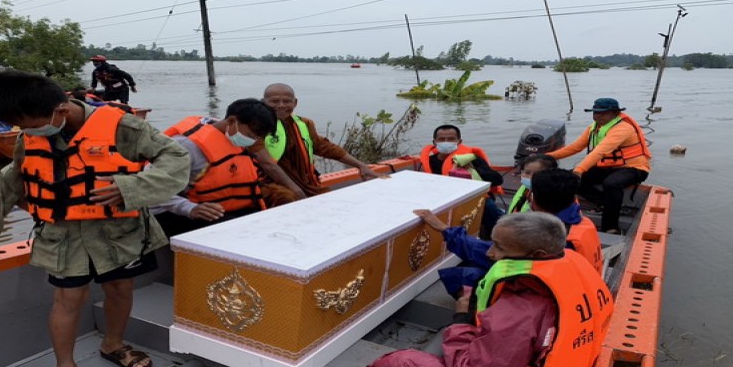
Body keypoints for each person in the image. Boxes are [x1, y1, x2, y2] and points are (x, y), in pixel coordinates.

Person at [0, 70, 189, 367]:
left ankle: (113, 344)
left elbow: (177, 158)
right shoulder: (27, 135)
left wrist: (129, 188)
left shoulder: (125, 127)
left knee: (121, 288)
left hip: (119, 232)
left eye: (30, 124)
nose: (26, 132)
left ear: (60, 110)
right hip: (63, 234)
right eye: (19, 127)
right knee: (68, 298)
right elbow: (12, 179)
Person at [368, 212, 614, 367]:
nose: (491, 254)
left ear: (536, 253)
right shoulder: (570, 266)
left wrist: (462, 319)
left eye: (500, 248)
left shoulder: (521, 310)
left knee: (400, 365)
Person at [415, 168, 603, 298]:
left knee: (463, 274)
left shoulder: (544, 234)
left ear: (533, 198)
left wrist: (443, 229)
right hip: (577, 283)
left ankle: (475, 310)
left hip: (544, 288)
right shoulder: (579, 221)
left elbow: (486, 252)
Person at [153, 99, 276, 236]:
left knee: (265, 223)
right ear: (231, 121)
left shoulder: (233, 135)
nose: (252, 141)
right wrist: (190, 208)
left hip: (219, 207)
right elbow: (152, 187)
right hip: (173, 211)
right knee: (238, 232)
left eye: (257, 137)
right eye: (250, 136)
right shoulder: (185, 145)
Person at [249, 83, 383, 207]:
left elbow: (325, 147)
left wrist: (361, 165)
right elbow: (267, 164)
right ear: (263, 102)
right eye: (274, 101)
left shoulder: (304, 124)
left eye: (287, 101)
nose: (281, 105)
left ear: (295, 103)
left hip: (305, 184)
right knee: (287, 198)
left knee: (327, 199)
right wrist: (297, 191)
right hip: (268, 183)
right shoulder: (254, 127)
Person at [547, 98, 651, 234]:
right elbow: (575, 147)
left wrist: (580, 169)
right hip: (608, 167)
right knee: (568, 179)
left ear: (615, 113)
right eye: (595, 112)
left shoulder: (623, 128)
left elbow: (600, 151)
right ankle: (605, 201)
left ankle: (611, 227)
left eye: (602, 113)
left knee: (612, 184)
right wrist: (548, 156)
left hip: (634, 167)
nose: (597, 116)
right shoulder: (594, 127)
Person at [419, 124, 504, 240]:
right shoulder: (429, 161)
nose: (446, 142)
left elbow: (497, 179)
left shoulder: (470, 158)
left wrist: (473, 169)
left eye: (451, 139)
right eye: (441, 139)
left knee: (493, 211)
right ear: (434, 142)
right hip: (440, 198)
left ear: (459, 141)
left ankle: (495, 239)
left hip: (472, 199)